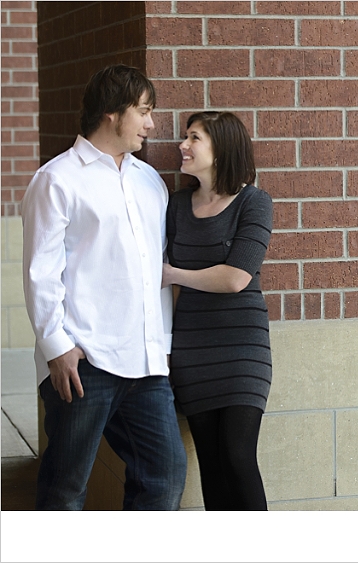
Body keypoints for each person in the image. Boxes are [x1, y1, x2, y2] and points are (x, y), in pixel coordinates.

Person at [22, 64, 187, 510]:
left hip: (147, 365)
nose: (152, 124)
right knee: (65, 488)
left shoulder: (148, 180)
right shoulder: (57, 179)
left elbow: (155, 267)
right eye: (144, 112)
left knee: (166, 477)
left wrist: (162, 344)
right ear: (113, 114)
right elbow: (41, 271)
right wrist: (58, 348)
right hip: (84, 362)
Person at [162, 111, 273, 511]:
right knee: (211, 464)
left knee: (238, 456)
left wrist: (173, 273)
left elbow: (236, 278)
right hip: (192, 349)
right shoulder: (176, 206)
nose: (183, 145)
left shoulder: (254, 202)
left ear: (221, 148)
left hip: (243, 347)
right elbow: (170, 293)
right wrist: (169, 348)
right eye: (185, 137)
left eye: (194, 138)